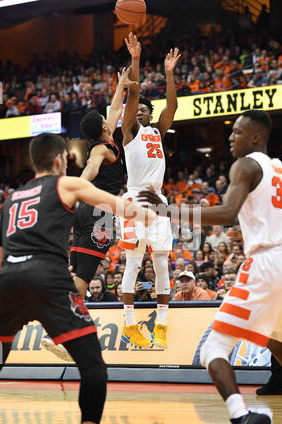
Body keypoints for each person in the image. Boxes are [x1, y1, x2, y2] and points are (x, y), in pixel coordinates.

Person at [138, 109, 282, 424]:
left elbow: (226, 214)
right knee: (279, 341)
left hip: (267, 262)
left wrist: (167, 210)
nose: (230, 137)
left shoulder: (246, 165)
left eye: (237, 132)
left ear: (255, 137)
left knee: (213, 348)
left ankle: (242, 418)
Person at [0, 132, 154, 424]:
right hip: (48, 281)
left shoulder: (11, 197)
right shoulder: (65, 184)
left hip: (8, 281)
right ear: (60, 160)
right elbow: (120, 207)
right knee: (93, 367)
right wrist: (151, 214)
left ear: (33, 161)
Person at [41, 67, 136, 359]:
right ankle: (59, 333)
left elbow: (117, 106)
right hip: (99, 213)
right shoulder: (101, 151)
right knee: (83, 279)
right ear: (105, 128)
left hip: (84, 214)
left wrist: (122, 82)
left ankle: (60, 329)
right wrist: (76, 187)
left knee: (78, 275)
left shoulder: (102, 137)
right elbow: (90, 170)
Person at [118, 33, 181, 349]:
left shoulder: (157, 131)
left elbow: (173, 104)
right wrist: (137, 59)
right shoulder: (129, 132)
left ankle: (162, 325)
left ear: (150, 115)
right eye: (137, 110)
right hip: (134, 198)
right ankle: (129, 324)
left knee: (160, 263)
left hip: (158, 201)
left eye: (144, 111)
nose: (140, 112)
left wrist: (169, 74)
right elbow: (133, 95)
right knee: (133, 262)